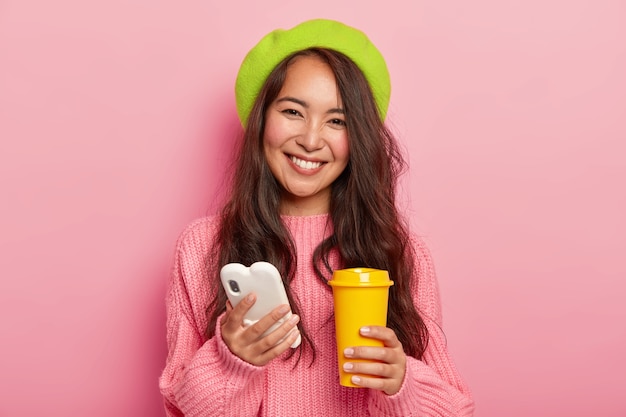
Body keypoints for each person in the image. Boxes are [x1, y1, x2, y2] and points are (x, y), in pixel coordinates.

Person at [159, 18, 474, 416]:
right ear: (261, 120)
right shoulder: (204, 248)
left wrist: (402, 384)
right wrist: (231, 361)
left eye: (337, 121)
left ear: (358, 136)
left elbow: (453, 409)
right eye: (293, 111)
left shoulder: (399, 253)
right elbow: (180, 408)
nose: (311, 139)